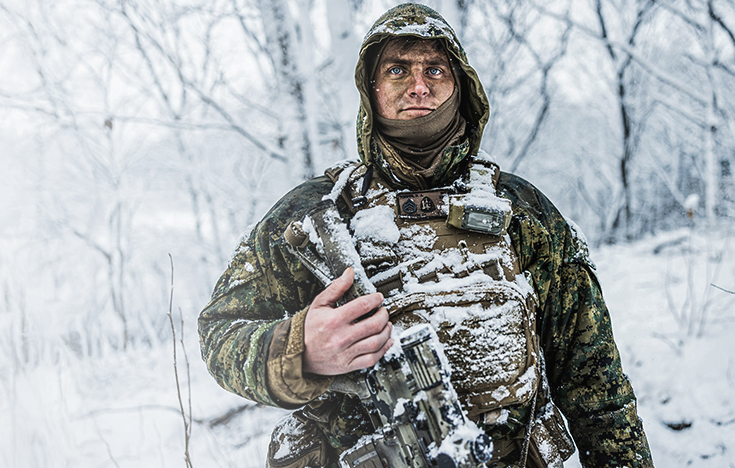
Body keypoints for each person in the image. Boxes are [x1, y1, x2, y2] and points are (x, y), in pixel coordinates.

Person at [197, 4, 652, 467]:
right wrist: (302, 350)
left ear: (461, 87)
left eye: (435, 69)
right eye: (397, 70)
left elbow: (597, 387)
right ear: (370, 90)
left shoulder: (524, 213)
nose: (419, 85)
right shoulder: (310, 216)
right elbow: (218, 334)